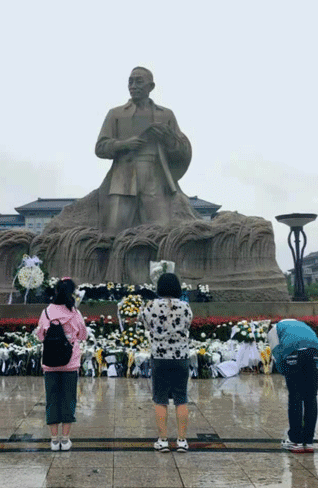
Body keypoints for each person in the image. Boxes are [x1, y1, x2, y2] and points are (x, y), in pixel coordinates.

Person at [95, 67, 196, 235]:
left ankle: (162, 263)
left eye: (139, 82)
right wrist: (124, 144)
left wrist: (169, 139)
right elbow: (100, 147)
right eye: (130, 81)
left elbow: (182, 150)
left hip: (155, 180)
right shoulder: (116, 114)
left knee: (162, 232)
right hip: (122, 180)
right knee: (113, 233)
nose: (133, 86)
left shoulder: (166, 115)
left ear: (151, 86)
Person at [140, 272, 193, 452]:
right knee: (181, 399)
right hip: (180, 358)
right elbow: (188, 325)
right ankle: (182, 441)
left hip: (160, 358)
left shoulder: (151, 306)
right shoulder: (185, 307)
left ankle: (162, 440)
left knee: (160, 399)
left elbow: (146, 326)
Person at [35, 278, 88, 451]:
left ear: (56, 291)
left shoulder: (47, 312)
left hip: (50, 364)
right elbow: (83, 335)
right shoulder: (75, 313)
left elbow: (40, 335)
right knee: (68, 398)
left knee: (52, 399)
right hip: (70, 364)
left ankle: (53, 439)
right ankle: (65, 440)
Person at [266, 319, 318, 453]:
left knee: (295, 396)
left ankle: (295, 441)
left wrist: (285, 371)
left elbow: (278, 354)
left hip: (293, 352)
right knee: (310, 397)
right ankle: (308, 442)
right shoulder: (300, 324)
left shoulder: (273, 330)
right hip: (314, 351)